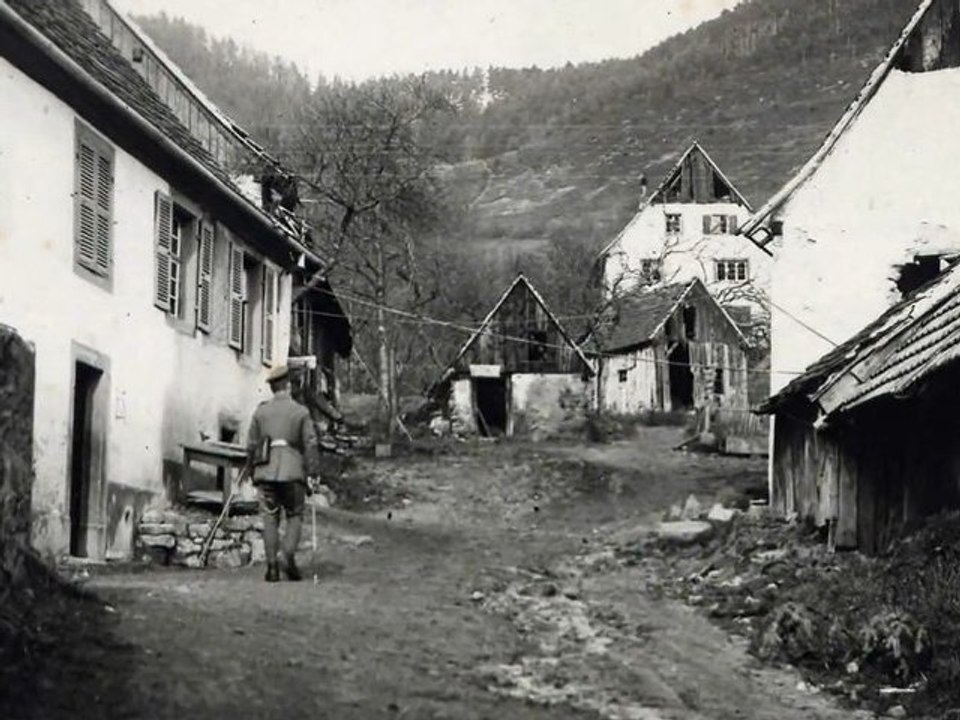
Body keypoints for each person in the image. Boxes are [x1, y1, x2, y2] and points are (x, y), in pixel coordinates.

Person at [247, 364, 321, 582]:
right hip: (292, 471)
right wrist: (314, 471)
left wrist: (251, 470)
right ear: (288, 385)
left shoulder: (261, 411)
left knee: (269, 518)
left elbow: (251, 445)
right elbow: (310, 443)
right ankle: (286, 555)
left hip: (266, 470)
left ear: (272, 388)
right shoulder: (300, 411)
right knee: (295, 514)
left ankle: (271, 568)